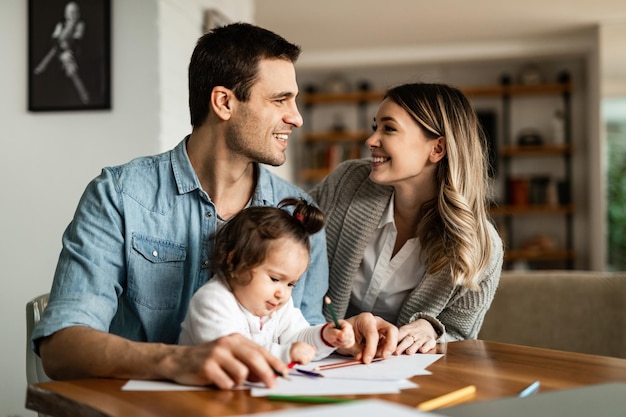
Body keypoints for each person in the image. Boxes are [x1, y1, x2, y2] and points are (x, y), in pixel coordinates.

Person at [31, 22, 334, 390]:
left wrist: (342, 336)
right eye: (280, 100)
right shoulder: (118, 195)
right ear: (224, 102)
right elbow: (60, 348)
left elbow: (306, 338)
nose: (297, 117)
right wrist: (177, 360)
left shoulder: (299, 216)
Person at [310, 82, 504, 355]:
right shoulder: (347, 182)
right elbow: (288, 236)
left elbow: (462, 334)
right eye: (374, 127)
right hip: (320, 354)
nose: (371, 140)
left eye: (388, 128)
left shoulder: (483, 247)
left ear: (437, 149)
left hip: (406, 374)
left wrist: (432, 329)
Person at [179, 198, 355, 365]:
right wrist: (286, 354)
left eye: (290, 284)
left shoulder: (277, 305)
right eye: (275, 279)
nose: (282, 294)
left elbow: (298, 338)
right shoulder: (212, 302)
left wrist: (325, 336)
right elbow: (233, 354)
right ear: (234, 262)